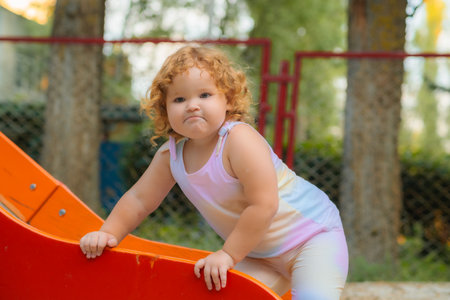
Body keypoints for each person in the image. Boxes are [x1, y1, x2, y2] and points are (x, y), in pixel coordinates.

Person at [80, 45, 348, 300]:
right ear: (165, 110)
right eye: (179, 99)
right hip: (258, 254)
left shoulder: (238, 140)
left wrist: (228, 255)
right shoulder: (170, 156)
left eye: (204, 95)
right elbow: (139, 199)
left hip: (312, 239)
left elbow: (264, 205)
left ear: (228, 100)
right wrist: (109, 233)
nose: (192, 105)